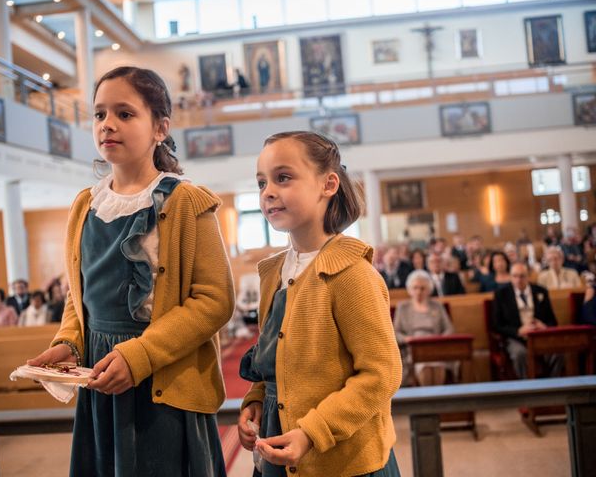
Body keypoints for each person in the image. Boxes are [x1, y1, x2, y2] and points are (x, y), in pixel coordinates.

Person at [27, 66, 234, 476]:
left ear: (160, 127)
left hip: (162, 377)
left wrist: (139, 355)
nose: (108, 125)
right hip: (101, 377)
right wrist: (69, 343)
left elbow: (215, 301)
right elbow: (78, 294)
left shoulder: (186, 201)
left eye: (125, 114)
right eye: (99, 114)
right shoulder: (85, 204)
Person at [238, 131, 402, 476]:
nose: (268, 191)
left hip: (343, 463)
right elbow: (272, 355)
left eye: (283, 178)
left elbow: (381, 374)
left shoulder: (351, 273)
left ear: (328, 184)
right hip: (278, 447)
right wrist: (256, 398)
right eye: (261, 182)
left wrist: (313, 432)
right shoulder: (273, 273)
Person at [491, 263, 563, 379]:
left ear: (528, 276)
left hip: (539, 336)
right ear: (510, 277)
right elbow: (497, 325)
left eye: (522, 276)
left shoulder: (541, 291)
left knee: (557, 352)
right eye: (514, 276)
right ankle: (526, 385)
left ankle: (552, 383)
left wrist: (543, 326)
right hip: (516, 338)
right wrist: (518, 331)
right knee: (520, 354)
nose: (518, 280)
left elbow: (553, 321)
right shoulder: (501, 294)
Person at [394, 270, 455, 387]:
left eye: (423, 288)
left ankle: (439, 401)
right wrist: (407, 339)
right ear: (410, 289)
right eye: (415, 288)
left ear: (429, 290)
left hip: (435, 347)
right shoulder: (403, 307)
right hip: (412, 349)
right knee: (424, 367)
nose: (419, 291)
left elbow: (449, 329)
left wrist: (441, 340)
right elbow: (395, 333)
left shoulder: (437, 306)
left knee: (438, 366)